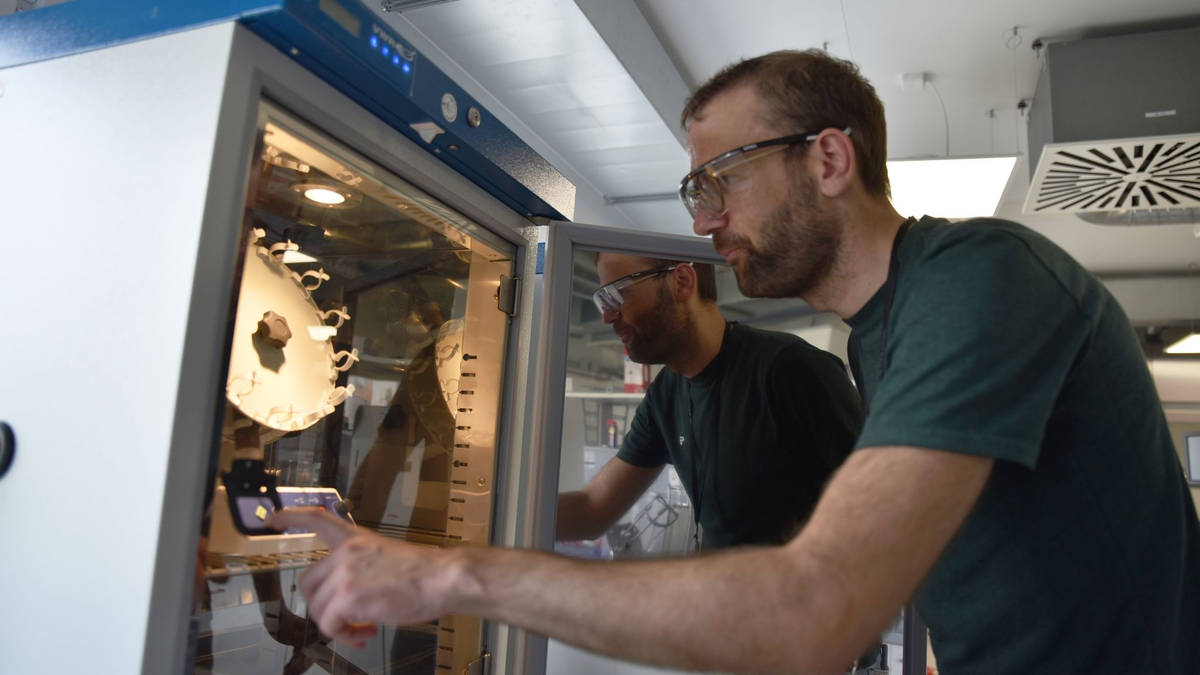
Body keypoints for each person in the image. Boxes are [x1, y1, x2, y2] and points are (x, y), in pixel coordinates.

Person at [272, 49, 1200, 674]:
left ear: (829, 159)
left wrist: (449, 574)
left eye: (719, 181)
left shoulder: (980, 280)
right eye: (694, 190)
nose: (703, 220)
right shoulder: (881, 331)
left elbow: (820, 607)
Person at [556, 253, 862, 552]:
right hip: (726, 596)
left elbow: (878, 501)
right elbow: (592, 510)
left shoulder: (790, 369)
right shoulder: (665, 395)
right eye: (602, 300)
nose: (607, 315)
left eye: (618, 294)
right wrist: (513, 509)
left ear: (682, 282)